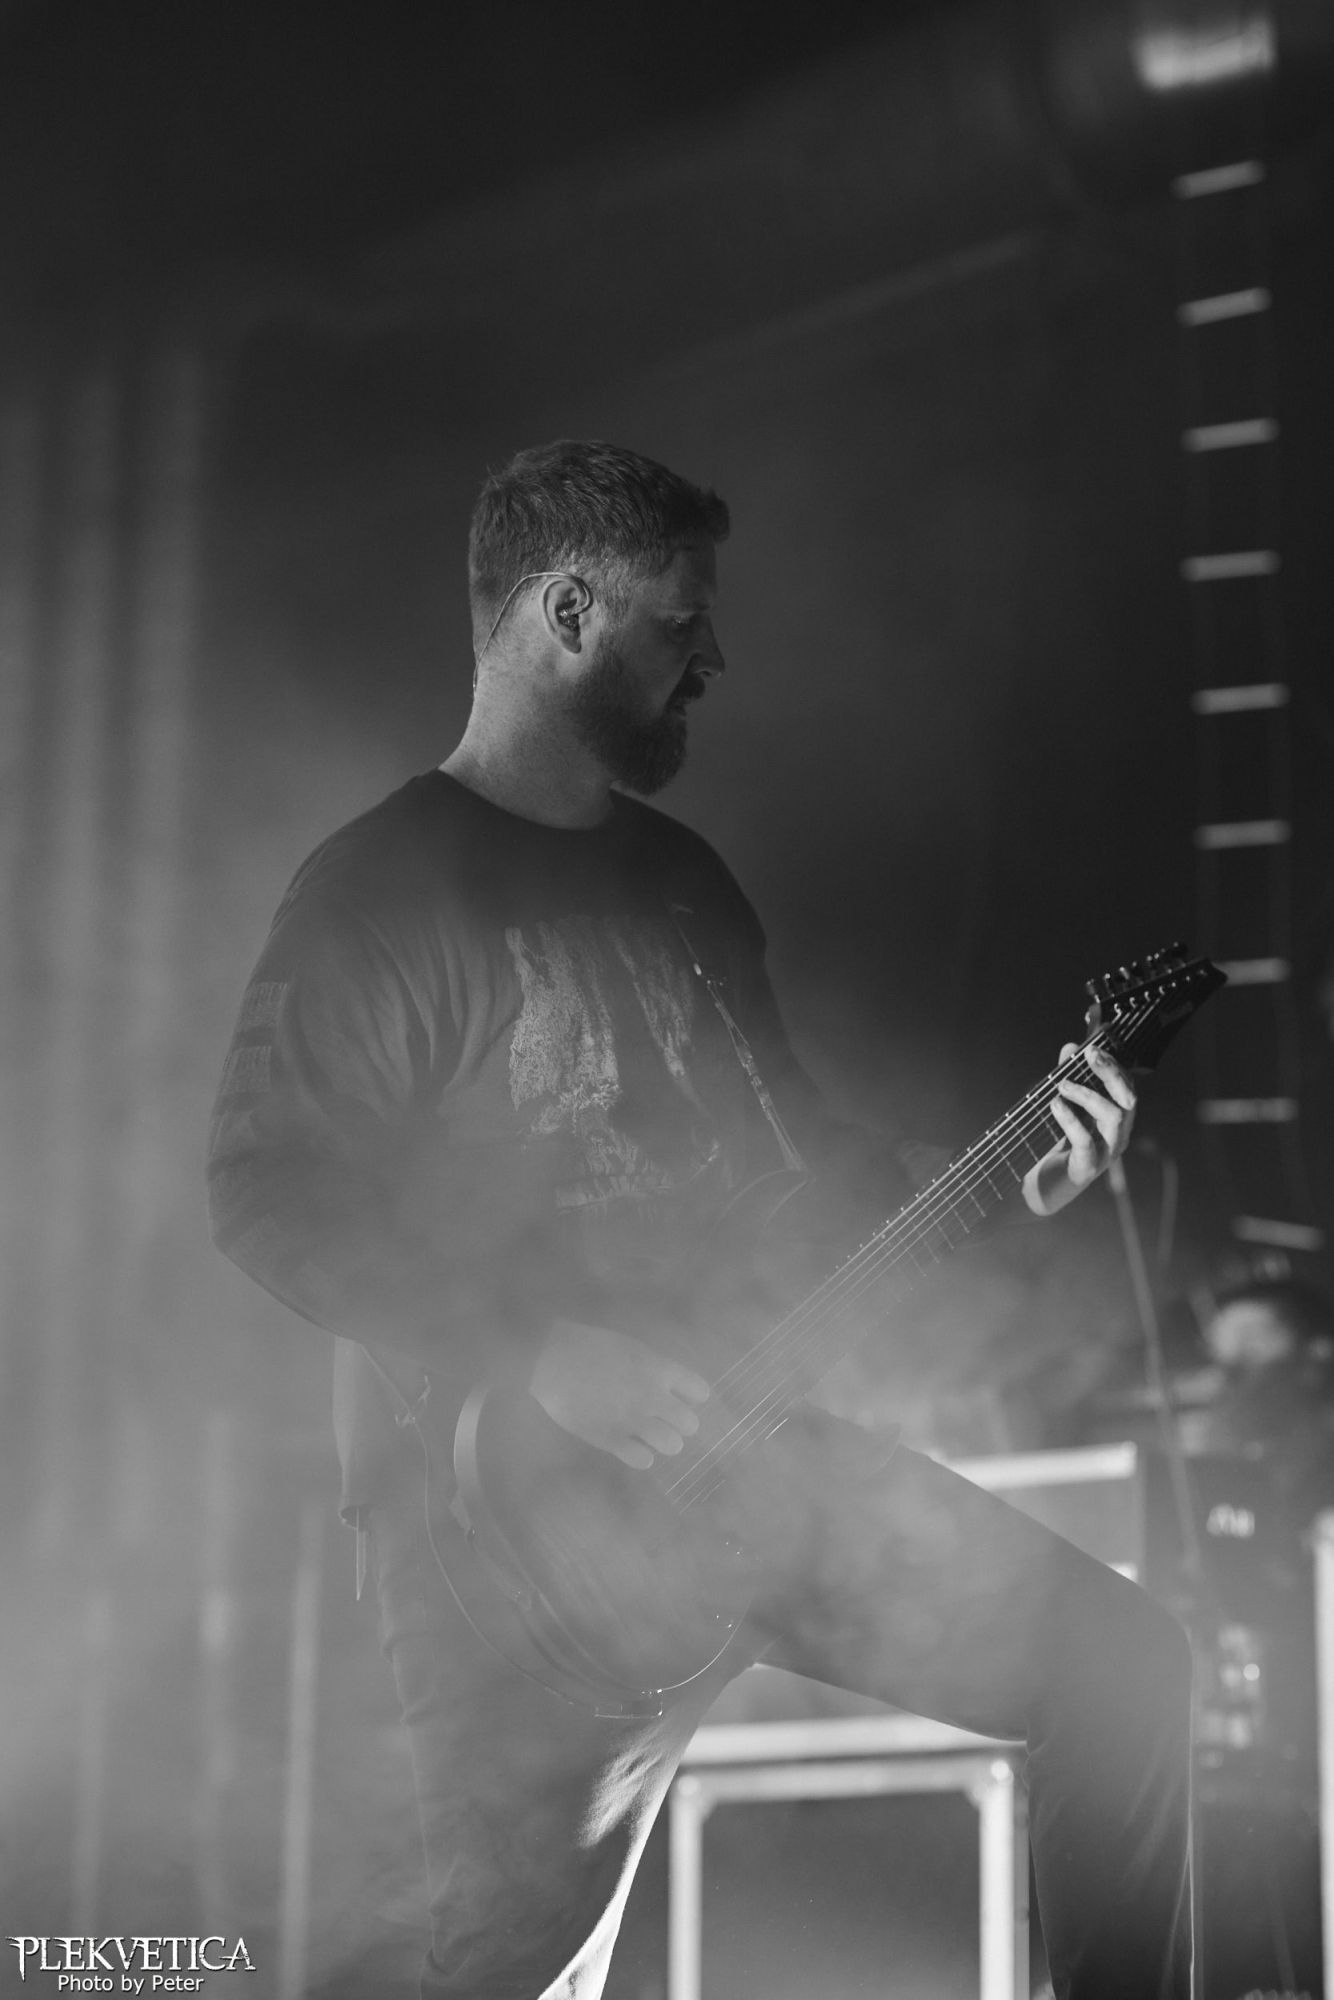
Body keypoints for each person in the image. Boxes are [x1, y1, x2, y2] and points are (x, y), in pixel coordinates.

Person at [207, 440, 1191, 2000]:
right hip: (505, 1556)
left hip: (753, 1463)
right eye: (681, 618)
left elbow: (795, 1172)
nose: (713, 654)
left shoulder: (683, 883)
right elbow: (267, 1190)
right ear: (568, 612)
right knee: (506, 1975)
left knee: (1123, 1674)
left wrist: (1008, 1176)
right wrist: (541, 1351)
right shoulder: (379, 890)